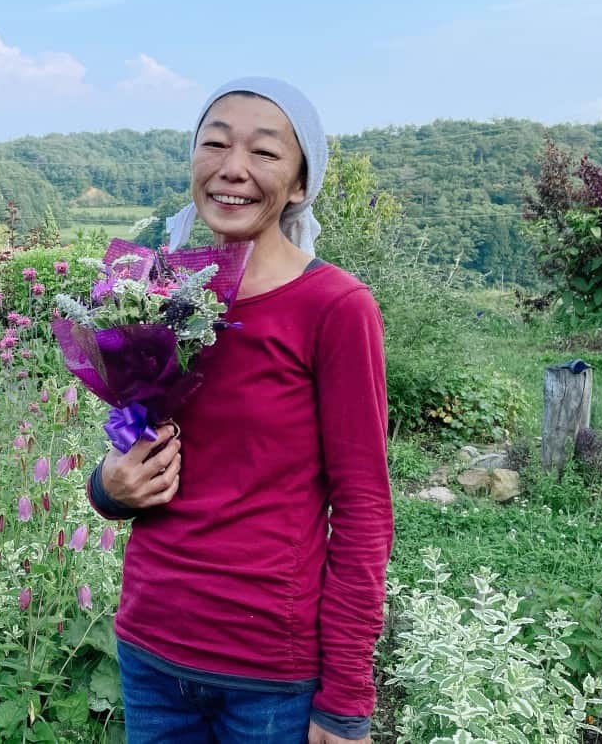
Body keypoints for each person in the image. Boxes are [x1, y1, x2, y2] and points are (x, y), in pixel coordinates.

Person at [87, 78, 393, 743]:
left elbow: (365, 507)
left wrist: (345, 698)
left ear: (302, 183)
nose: (233, 169)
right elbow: (132, 443)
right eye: (215, 144)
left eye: (265, 152)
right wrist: (107, 487)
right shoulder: (149, 291)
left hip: (268, 676)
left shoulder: (335, 308)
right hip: (150, 647)